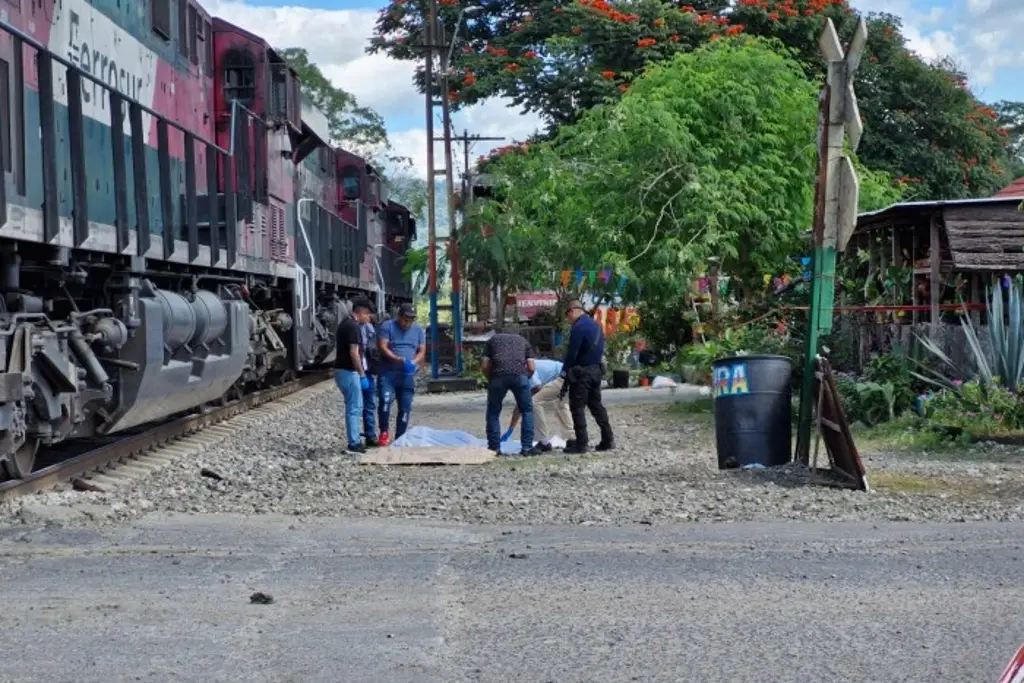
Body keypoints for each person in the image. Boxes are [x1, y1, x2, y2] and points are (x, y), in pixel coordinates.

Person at [561, 300, 614, 454]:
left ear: (571, 311)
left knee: (577, 407)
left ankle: (582, 443)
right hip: (597, 370)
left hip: (582, 373)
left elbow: (572, 354)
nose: (568, 319)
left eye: (567, 316)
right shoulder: (596, 325)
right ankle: (608, 439)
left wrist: (564, 373)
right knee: (596, 406)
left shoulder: (578, 327)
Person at [481, 331, 540, 456]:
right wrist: (526, 378)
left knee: (493, 411)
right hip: (520, 376)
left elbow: (485, 366)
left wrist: (490, 379)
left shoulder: (492, 341)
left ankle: (494, 448)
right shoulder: (523, 340)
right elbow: (532, 367)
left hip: (498, 376)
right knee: (527, 410)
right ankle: (527, 447)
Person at [377, 302, 426, 444]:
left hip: (407, 374)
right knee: (385, 401)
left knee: (405, 407)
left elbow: (422, 350)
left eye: (411, 320)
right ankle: (384, 431)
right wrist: (397, 359)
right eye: (405, 319)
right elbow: (382, 346)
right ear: (399, 316)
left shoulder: (418, 330)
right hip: (389, 373)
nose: (407, 323)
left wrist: (414, 362)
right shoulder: (388, 326)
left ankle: (400, 436)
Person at [503, 357, 570, 452]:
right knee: (561, 406)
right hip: (565, 373)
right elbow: (520, 403)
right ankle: (572, 438)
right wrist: (510, 429)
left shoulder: (524, 370)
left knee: (535, 402)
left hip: (562, 375)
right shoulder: (519, 371)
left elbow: (537, 389)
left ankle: (544, 442)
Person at [334, 297, 373, 454]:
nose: (369, 318)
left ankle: (355, 440)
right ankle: (354, 443)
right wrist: (362, 374)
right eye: (368, 315)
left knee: (353, 406)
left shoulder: (345, 324)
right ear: (361, 313)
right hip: (349, 372)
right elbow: (354, 353)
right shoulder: (353, 327)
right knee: (354, 407)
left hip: (342, 371)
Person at [360, 311, 382, 447]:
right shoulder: (366, 328)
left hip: (362, 371)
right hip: (362, 372)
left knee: (364, 404)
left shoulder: (365, 327)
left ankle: (368, 435)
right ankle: (369, 435)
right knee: (367, 404)